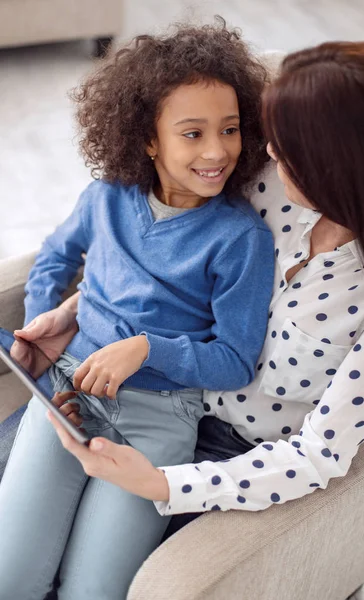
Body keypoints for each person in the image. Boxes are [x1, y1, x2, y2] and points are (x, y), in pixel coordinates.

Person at [40, 40, 364, 538]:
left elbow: (319, 454)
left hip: (235, 457)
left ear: (338, 162)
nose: (265, 152)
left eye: (286, 144)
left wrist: (165, 483)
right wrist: (77, 309)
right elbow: (174, 261)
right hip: (151, 389)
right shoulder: (269, 186)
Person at [0, 21, 275, 600]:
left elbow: (235, 361)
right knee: (11, 577)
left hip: (160, 420)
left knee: (94, 591)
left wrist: (149, 348)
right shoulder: (105, 198)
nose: (217, 151)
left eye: (229, 130)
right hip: (67, 392)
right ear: (148, 139)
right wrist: (43, 317)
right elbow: (54, 256)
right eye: (192, 133)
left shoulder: (240, 237)